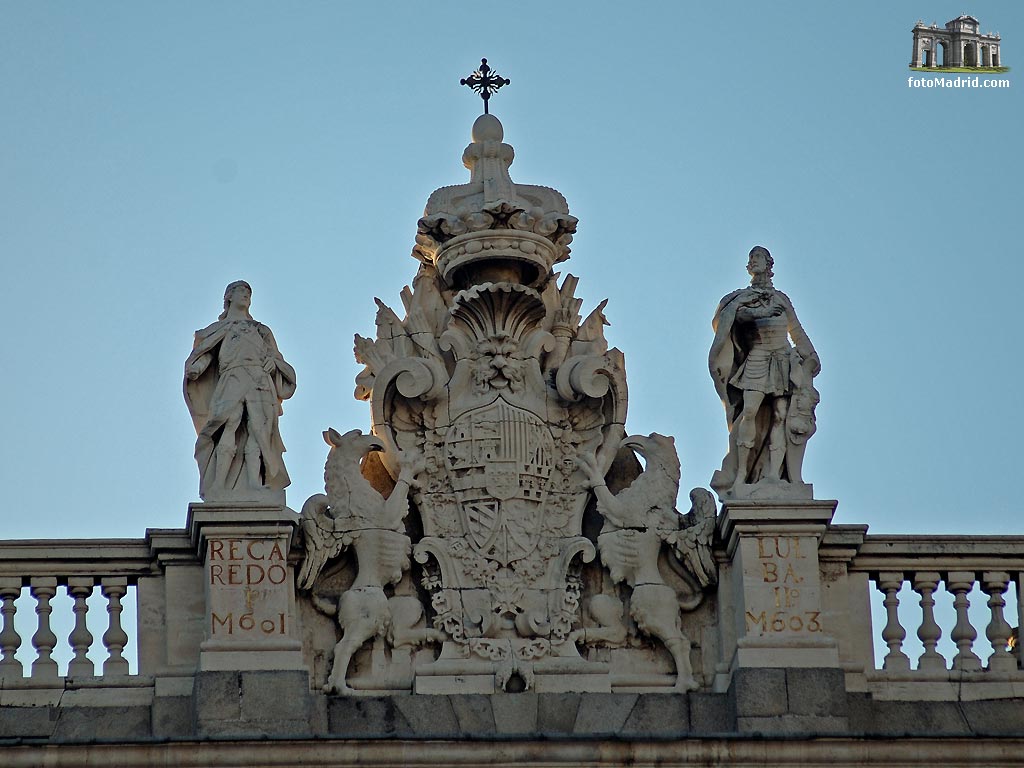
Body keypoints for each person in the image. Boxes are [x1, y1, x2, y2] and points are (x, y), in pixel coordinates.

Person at [709, 247, 819, 496]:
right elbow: (738, 317)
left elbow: (796, 330)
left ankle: (773, 475)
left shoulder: (781, 298)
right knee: (749, 411)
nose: (752, 261)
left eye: (757, 257)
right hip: (758, 357)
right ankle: (740, 477)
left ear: (768, 263)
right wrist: (763, 312)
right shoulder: (742, 298)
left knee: (781, 415)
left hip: (781, 359)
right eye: (750, 259)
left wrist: (810, 354)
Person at [184, 281, 296, 499]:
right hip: (232, 378)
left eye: (248, 292)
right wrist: (196, 368)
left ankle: (254, 483)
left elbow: (275, 356)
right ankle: (219, 484)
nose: (245, 295)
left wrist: (274, 364)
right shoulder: (219, 329)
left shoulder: (261, 330)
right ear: (229, 297)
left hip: (259, 381)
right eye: (240, 291)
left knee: (258, 430)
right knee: (229, 423)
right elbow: (207, 353)